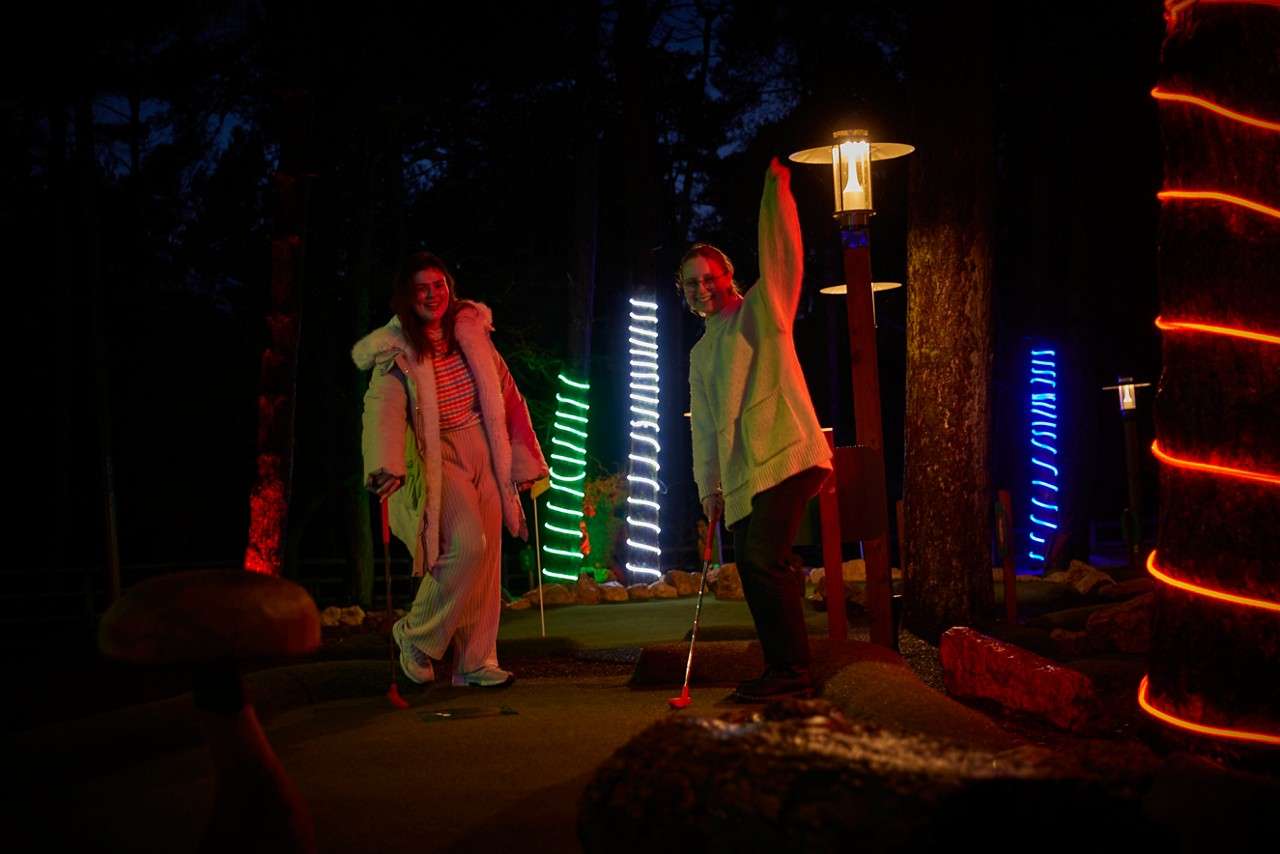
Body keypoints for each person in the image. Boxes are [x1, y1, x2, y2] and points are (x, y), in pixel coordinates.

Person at [353, 252, 547, 687]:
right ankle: (416, 636)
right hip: (437, 453)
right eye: (422, 288)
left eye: (438, 285)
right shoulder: (396, 345)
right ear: (407, 295)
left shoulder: (470, 329)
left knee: (489, 556)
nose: (432, 295)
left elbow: (506, 392)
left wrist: (525, 459)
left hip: (483, 444)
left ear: (448, 288)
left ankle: (475, 662)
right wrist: (385, 463)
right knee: (466, 546)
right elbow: (381, 407)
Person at [683, 157, 833, 702]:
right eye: (692, 284)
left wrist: (775, 198)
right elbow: (704, 430)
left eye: (710, 278)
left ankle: (794, 674)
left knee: (759, 558)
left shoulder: (761, 312)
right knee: (758, 566)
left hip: (788, 452)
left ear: (729, 278)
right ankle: (781, 668)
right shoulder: (701, 354)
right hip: (746, 472)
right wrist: (710, 490)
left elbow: (783, 258)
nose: (703, 288)